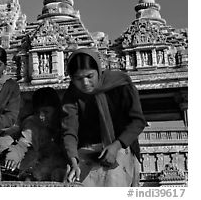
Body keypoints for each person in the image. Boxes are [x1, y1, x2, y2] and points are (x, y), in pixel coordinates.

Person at [62, 48, 146, 186]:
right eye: (78, 78)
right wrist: (73, 160)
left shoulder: (121, 85)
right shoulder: (71, 95)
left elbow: (137, 122)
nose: (85, 83)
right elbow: (69, 131)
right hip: (87, 151)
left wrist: (115, 146)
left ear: (98, 71)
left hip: (121, 146)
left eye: (89, 76)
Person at [3, 87, 68, 182]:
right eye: (38, 112)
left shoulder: (67, 123)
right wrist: (13, 156)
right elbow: (23, 144)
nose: (41, 117)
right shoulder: (32, 123)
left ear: (57, 110)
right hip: (36, 169)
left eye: (46, 112)